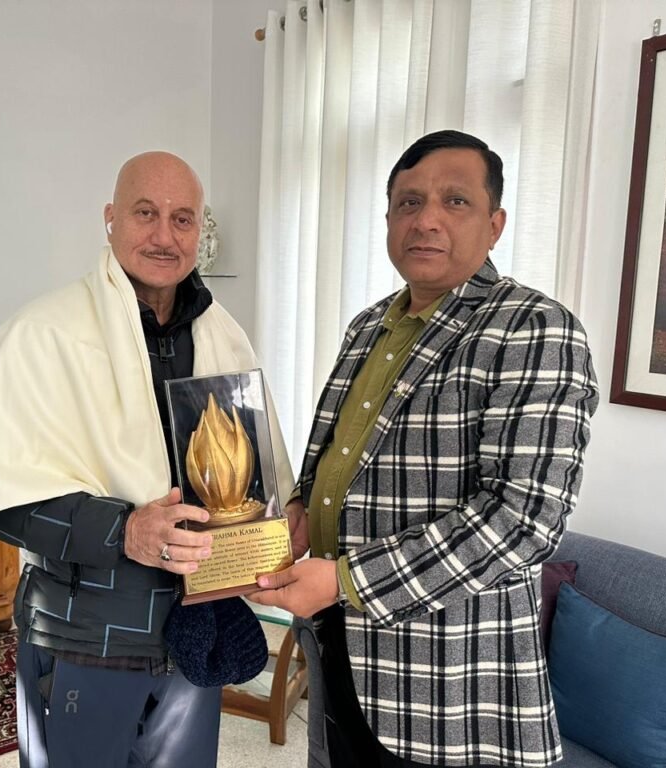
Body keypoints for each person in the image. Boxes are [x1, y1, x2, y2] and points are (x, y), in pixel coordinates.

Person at [0, 151, 292, 768]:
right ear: (110, 218)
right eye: (146, 213)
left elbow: (254, 480)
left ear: (199, 231)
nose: (164, 236)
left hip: (191, 636)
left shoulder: (226, 338)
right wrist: (126, 531)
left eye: (182, 219)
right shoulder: (44, 334)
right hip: (84, 639)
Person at [249, 130, 599, 767]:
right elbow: (339, 456)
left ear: (494, 225)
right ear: (388, 220)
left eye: (455, 201)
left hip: (445, 683)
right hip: (336, 641)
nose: (427, 220)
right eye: (408, 202)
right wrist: (302, 506)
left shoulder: (534, 328)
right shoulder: (367, 327)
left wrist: (346, 580)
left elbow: (523, 520)